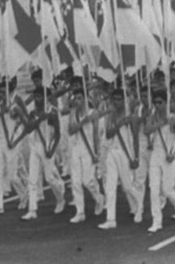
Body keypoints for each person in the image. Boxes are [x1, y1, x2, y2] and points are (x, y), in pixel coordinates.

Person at [21, 86, 66, 221]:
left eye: (39, 97)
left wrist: (51, 151)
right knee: (32, 179)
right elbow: (28, 129)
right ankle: (32, 209)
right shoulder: (33, 112)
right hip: (35, 146)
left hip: (47, 145)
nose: (36, 99)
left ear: (45, 97)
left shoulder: (52, 112)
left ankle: (60, 198)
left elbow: (57, 134)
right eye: (35, 97)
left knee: (49, 178)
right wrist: (40, 118)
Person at [145, 89, 175, 233]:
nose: (157, 105)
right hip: (156, 154)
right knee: (154, 189)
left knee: (167, 189)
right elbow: (147, 130)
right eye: (155, 102)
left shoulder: (174, 119)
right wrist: (161, 122)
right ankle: (157, 221)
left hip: (169, 155)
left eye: (160, 102)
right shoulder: (153, 117)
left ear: (166, 103)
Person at [0, 77, 29, 217]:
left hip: (12, 141)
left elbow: (27, 126)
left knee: (12, 176)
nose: (0, 94)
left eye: (3, 91)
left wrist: (16, 140)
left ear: (9, 92)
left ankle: (24, 195)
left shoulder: (15, 106)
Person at [99, 89, 140, 230]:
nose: (116, 102)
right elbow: (109, 134)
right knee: (110, 186)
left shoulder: (132, 116)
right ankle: (111, 219)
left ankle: (139, 204)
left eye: (119, 99)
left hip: (125, 152)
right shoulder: (111, 115)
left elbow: (135, 138)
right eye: (114, 99)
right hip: (112, 151)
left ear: (124, 100)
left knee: (127, 186)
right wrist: (120, 123)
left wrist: (136, 157)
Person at [66, 86, 105, 224]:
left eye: (79, 98)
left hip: (88, 148)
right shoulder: (73, 112)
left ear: (85, 98)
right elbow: (70, 130)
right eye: (75, 98)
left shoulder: (93, 112)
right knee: (75, 181)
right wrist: (82, 121)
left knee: (87, 180)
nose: (77, 101)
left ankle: (99, 198)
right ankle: (80, 211)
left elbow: (95, 134)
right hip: (76, 148)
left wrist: (96, 152)